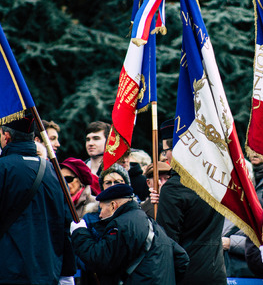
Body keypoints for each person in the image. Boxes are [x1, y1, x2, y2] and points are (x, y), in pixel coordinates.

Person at [0, 115, 76, 284]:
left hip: (9, 271)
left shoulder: (2, 168)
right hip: (48, 271)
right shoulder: (55, 172)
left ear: (6, 136)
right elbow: (65, 223)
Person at [70, 183, 190, 284]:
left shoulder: (120, 225)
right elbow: (181, 258)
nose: (100, 215)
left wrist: (79, 232)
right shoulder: (151, 223)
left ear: (113, 205)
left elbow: (101, 259)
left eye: (101, 209)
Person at [156, 118, 227, 285]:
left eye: (168, 149)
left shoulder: (173, 189)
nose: (166, 155)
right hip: (216, 273)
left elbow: (166, 242)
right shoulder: (217, 180)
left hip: (185, 276)